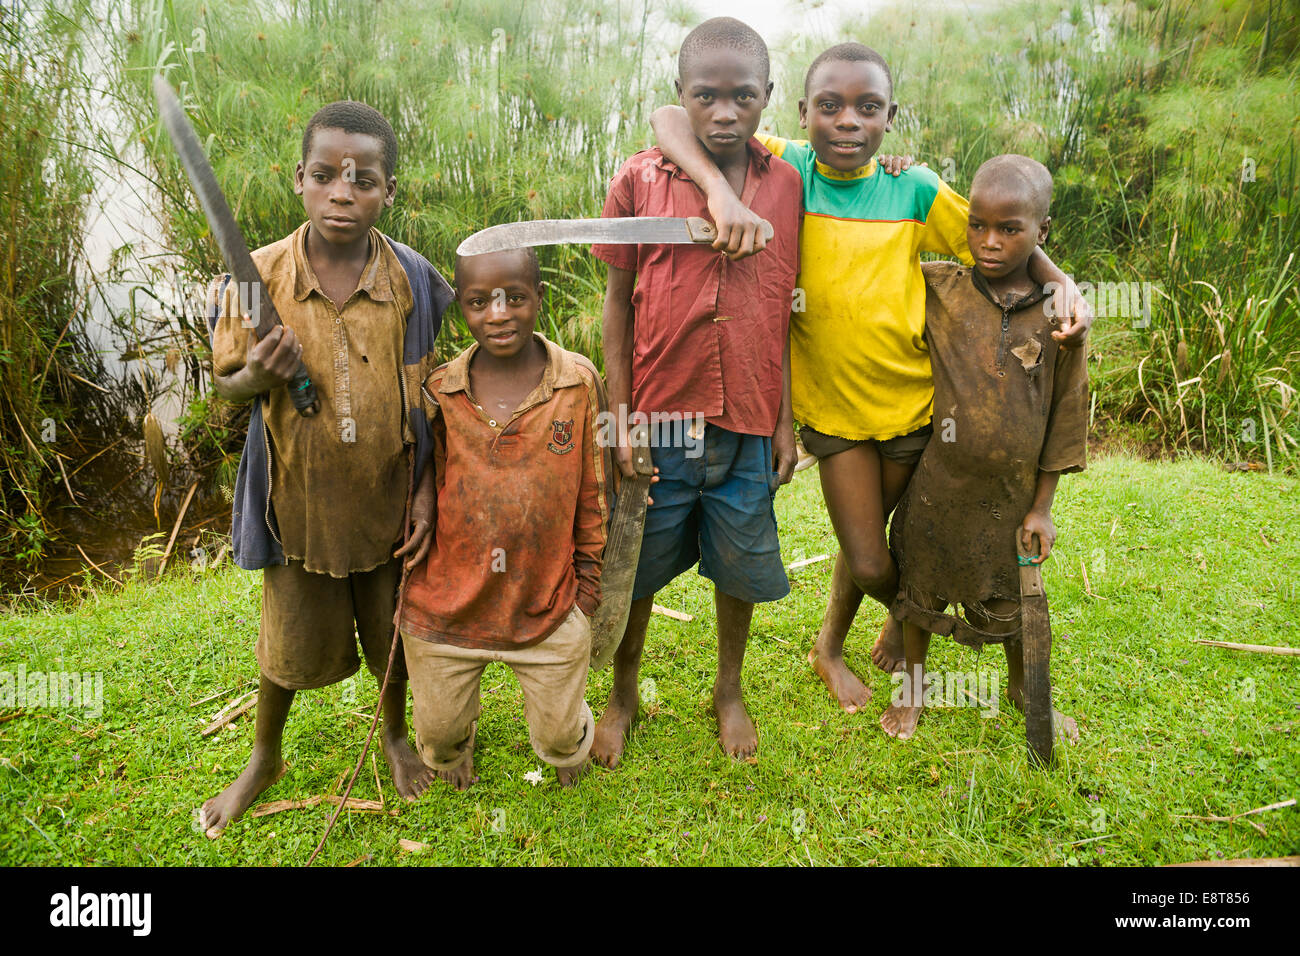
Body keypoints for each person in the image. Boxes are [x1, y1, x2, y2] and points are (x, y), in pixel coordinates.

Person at [649, 42, 1092, 714]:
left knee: (898, 538)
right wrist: (715, 189)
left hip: (918, 411)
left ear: (891, 118)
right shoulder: (789, 169)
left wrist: (1062, 284)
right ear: (803, 113)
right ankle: (902, 622)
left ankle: (847, 638)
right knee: (869, 560)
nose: (849, 122)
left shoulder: (912, 187)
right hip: (835, 418)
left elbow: (1003, 237)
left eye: (868, 108)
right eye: (831, 107)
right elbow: (666, 117)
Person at [200, 101, 453, 836]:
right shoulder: (257, 280)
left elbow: (426, 396)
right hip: (297, 501)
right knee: (285, 645)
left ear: (388, 191)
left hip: (387, 496)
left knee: (392, 634)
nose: (343, 193)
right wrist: (258, 373)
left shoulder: (412, 278)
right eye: (325, 177)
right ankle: (264, 755)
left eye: (364, 180)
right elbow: (224, 385)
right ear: (299, 181)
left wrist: (427, 491)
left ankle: (396, 735)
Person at [589, 17, 803, 766]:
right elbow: (617, 304)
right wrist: (619, 419)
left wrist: (783, 420)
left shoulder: (787, 184)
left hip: (746, 415)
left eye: (743, 96)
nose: (724, 112)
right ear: (681, 96)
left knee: (740, 561)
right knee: (639, 561)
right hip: (659, 414)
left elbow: (782, 306)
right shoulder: (641, 178)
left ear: (767, 98)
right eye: (705, 96)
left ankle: (729, 688)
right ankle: (622, 692)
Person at [882, 154, 1085, 741]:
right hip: (938, 482)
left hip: (1013, 495)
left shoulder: (1060, 317)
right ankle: (913, 690)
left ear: (1042, 232)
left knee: (1015, 602)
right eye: (977, 225)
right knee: (920, 586)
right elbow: (877, 266)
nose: (988, 242)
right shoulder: (940, 287)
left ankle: (1023, 690)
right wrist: (892, 171)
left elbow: (1068, 416)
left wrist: (1042, 506)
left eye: (1010, 229)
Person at [397, 247, 610, 789]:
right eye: (478, 302)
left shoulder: (576, 384)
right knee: (439, 738)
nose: (498, 314)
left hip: (546, 600)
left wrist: (584, 594)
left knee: (562, 739)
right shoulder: (441, 389)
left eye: (516, 298)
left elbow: (593, 494)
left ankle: (566, 740)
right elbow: (425, 469)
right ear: (462, 307)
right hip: (450, 602)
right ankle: (457, 742)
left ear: (539, 297)